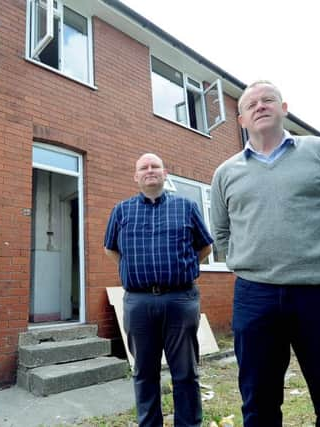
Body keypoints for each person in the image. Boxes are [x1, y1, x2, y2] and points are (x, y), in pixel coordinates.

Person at [210, 80, 320, 427]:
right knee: (258, 402)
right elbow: (222, 234)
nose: (259, 106)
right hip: (255, 296)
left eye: (268, 99)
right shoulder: (226, 173)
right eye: (250, 104)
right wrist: (252, 263)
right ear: (240, 120)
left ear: (284, 109)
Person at [104, 153, 213, 427]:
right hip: (138, 302)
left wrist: (180, 269)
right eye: (144, 167)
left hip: (180, 299)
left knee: (185, 372)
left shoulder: (187, 207)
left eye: (155, 166)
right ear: (136, 176)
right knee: (144, 373)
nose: (150, 170)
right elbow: (111, 249)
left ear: (165, 174)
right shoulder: (121, 211)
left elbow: (205, 247)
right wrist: (139, 273)